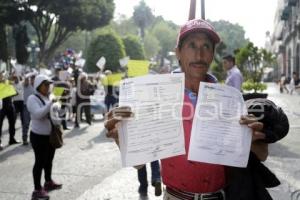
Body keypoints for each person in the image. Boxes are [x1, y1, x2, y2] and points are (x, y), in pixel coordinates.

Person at [104, 19, 289, 200]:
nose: (200, 54)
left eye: (206, 46)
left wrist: (252, 137)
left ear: (212, 53)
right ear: (178, 52)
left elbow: (262, 155)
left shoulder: (230, 99)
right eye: (192, 45)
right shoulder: (157, 97)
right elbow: (138, 164)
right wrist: (122, 138)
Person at [27, 74, 62, 200]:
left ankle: (48, 182)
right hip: (38, 136)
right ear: (38, 85)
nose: (48, 87)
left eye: (49, 84)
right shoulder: (32, 98)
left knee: (49, 161)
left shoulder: (50, 96)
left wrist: (57, 106)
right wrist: (50, 105)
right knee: (39, 162)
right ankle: (37, 190)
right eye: (45, 84)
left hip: (50, 136)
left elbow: (56, 110)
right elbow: (37, 114)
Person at [0, 73, 19, 150]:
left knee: (12, 122)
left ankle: (12, 139)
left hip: (10, 104)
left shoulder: (8, 82)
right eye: (1, 75)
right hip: (1, 106)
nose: (2, 76)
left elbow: (15, 92)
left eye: (2, 75)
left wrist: (12, 83)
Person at [23, 73, 35, 145]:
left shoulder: (37, 87)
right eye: (32, 79)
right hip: (26, 106)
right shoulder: (27, 84)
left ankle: (33, 138)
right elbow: (25, 80)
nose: (33, 80)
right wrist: (27, 77)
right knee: (26, 123)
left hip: (34, 106)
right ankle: (24, 138)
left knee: (34, 123)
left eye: (34, 79)